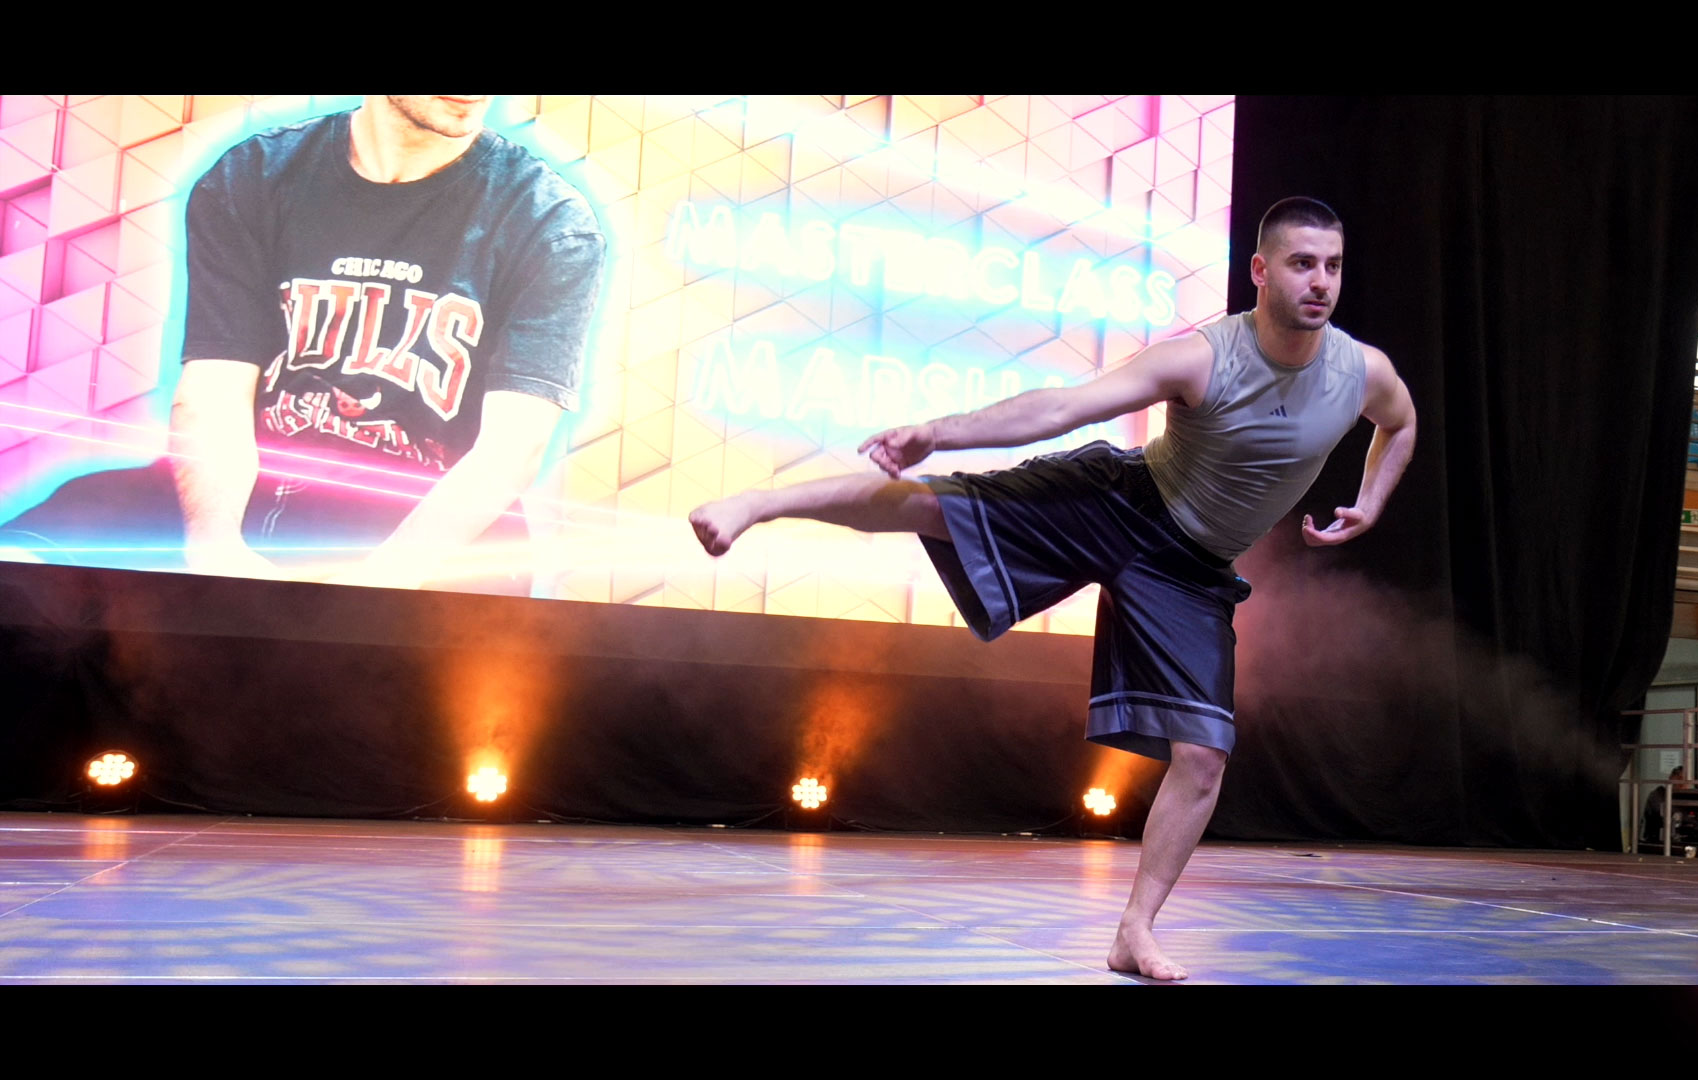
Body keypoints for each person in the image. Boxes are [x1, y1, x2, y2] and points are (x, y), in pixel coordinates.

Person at [690, 196, 1418, 980]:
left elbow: (1401, 423)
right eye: (1302, 264)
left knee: (1204, 757)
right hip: (1121, 506)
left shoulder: (1359, 371)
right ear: (1261, 270)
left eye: (1333, 266)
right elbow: (1065, 407)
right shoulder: (1203, 359)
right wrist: (941, 431)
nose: (1320, 282)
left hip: (1193, 568)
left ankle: (1133, 931)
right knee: (937, 510)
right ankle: (758, 504)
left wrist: (1370, 504)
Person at [0, 95, 605, 593]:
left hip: (429, 515)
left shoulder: (550, 222)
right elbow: (214, 391)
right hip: (249, 478)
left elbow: (511, 450)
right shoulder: (252, 178)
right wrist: (214, 550)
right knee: (31, 556)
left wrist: (385, 583)